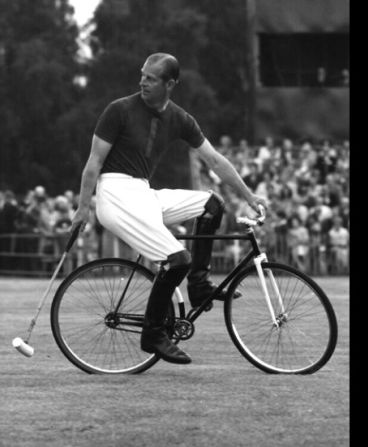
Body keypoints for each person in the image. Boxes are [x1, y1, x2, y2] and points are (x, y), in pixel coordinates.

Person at [71, 53, 267, 365]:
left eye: (150, 78)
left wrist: (248, 194)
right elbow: (94, 161)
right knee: (178, 259)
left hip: (143, 194)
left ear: (170, 84)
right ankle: (152, 333)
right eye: (142, 75)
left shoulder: (180, 119)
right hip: (115, 194)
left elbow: (214, 160)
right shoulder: (118, 109)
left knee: (212, 204)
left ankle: (199, 285)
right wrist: (83, 208)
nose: (142, 82)